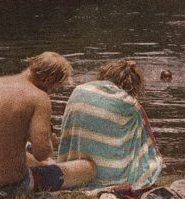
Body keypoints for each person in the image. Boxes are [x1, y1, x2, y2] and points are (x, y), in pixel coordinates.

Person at [0, 52, 94, 196]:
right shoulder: (39, 97)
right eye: (55, 87)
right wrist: (50, 141)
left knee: (33, 158)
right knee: (86, 168)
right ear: (49, 79)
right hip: (10, 186)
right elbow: (42, 153)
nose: (53, 91)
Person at [57, 59, 163, 189]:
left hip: (71, 169)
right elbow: (142, 141)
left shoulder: (79, 90)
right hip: (108, 177)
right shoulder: (130, 104)